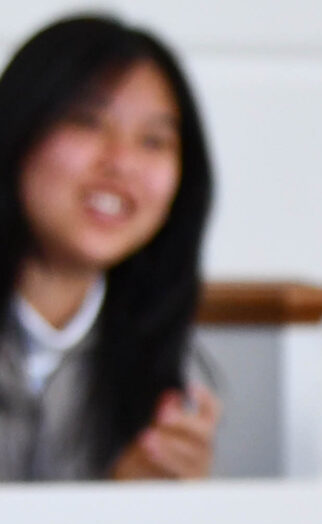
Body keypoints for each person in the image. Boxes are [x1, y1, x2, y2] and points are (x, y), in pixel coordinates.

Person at [0, 14, 219, 481]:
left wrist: (147, 502)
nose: (121, 163)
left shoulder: (175, 373)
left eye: (154, 140)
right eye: (87, 121)